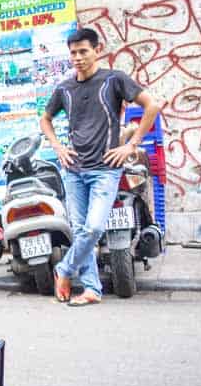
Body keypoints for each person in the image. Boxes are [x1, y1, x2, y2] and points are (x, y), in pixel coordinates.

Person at [41, 27, 159, 306]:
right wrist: (58, 147)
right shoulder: (64, 89)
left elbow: (152, 105)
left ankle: (64, 269)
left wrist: (131, 145)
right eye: (73, 53)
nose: (78, 58)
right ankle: (92, 289)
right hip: (74, 170)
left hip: (105, 169)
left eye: (83, 51)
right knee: (80, 230)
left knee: (94, 228)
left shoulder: (113, 80)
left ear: (97, 50)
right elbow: (45, 119)